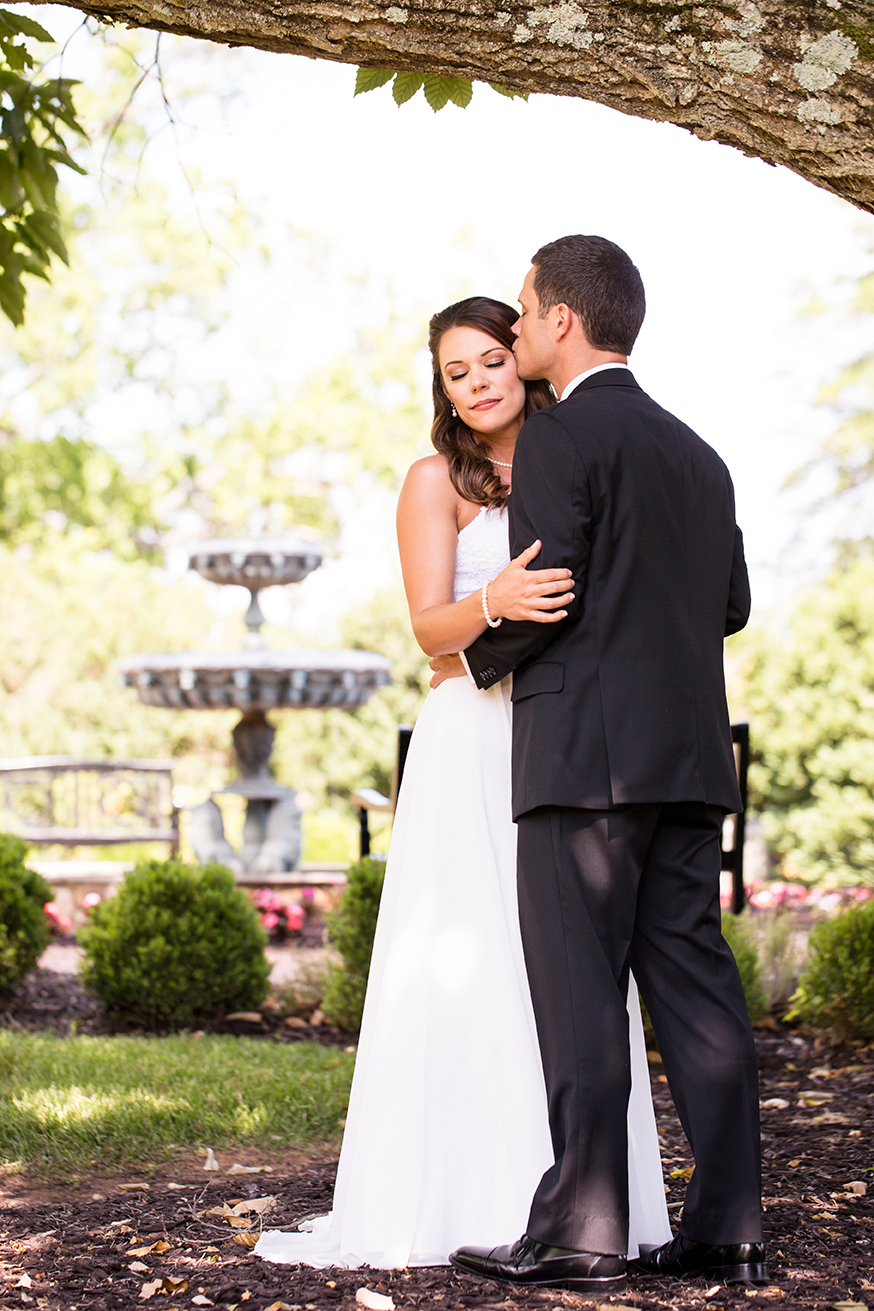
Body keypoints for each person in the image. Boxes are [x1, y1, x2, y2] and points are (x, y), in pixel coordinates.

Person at [254, 296, 672, 1270]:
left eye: (491, 359)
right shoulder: (434, 479)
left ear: (525, 358)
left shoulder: (580, 460)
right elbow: (431, 631)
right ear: (441, 388)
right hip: (469, 742)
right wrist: (492, 600)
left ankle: (586, 1207)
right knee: (466, 960)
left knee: (565, 972)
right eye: (457, 371)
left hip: (569, 737)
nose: (479, 381)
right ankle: (446, 1200)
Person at [438, 238, 766, 1298]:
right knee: (697, 993)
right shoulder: (698, 452)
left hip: (581, 761)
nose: (518, 333)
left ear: (564, 322)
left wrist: (470, 657)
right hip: (687, 760)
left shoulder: (562, 440)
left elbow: (547, 593)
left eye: (526, 315)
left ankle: (583, 1231)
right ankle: (729, 1228)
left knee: (580, 996)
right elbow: (730, 608)